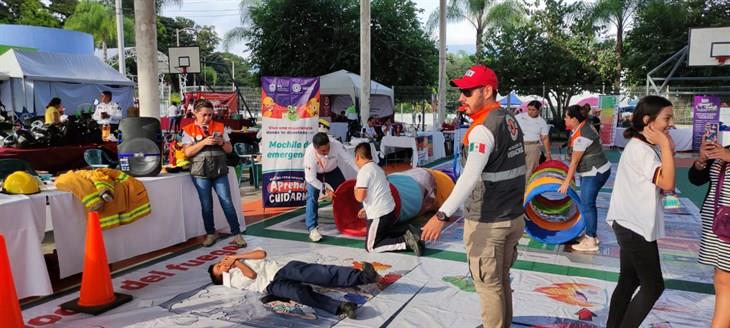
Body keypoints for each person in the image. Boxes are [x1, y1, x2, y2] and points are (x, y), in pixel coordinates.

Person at [421, 65, 526, 328]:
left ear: (487, 91)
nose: (461, 98)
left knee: (488, 287)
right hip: (512, 217)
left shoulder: (482, 129)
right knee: (499, 281)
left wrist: (441, 215)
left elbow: (468, 178)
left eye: (467, 92)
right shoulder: (508, 119)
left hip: (488, 223)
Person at [605, 95, 675, 327]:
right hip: (634, 226)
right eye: (667, 118)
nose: (671, 123)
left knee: (629, 280)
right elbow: (668, 183)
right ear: (648, 120)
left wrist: (666, 147)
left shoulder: (643, 146)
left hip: (630, 222)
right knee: (653, 286)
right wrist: (665, 145)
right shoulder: (642, 150)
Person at [208, 248, 378, 319]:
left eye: (219, 263)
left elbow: (262, 253)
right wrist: (236, 263)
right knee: (301, 294)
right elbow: (251, 275)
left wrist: (239, 256)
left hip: (280, 269)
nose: (222, 265)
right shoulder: (231, 281)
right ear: (220, 277)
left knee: (320, 273)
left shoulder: (240, 258)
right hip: (270, 286)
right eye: (219, 268)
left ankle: (363, 277)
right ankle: (342, 307)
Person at [182, 99, 247, 248]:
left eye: (210, 115)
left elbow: (230, 150)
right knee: (206, 205)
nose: (207, 118)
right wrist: (203, 142)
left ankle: (237, 234)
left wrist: (221, 143)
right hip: (200, 173)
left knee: (227, 203)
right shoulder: (188, 129)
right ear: (195, 113)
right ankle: (210, 234)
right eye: (204, 115)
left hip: (219, 171)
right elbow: (187, 152)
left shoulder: (219, 127)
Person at [558, 104, 611, 252]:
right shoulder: (581, 127)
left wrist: (566, 182)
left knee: (588, 204)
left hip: (594, 172)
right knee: (587, 204)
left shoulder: (582, 136)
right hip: (596, 170)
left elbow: (574, 162)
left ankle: (591, 240)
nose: (564, 119)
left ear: (574, 119)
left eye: (567, 117)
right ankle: (590, 234)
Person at [353, 142, 422, 255]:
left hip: (379, 214)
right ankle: (407, 233)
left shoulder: (364, 171)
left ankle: (406, 242)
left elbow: (360, 198)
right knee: (382, 235)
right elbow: (378, 191)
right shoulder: (377, 168)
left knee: (371, 247)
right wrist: (366, 208)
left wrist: (355, 189)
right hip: (390, 211)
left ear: (357, 157)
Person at [689, 140, 730, 327]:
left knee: (724, 280)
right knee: (721, 278)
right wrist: (702, 161)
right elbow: (697, 179)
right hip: (717, 227)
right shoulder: (724, 150)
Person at [303, 132, 358, 242]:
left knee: (345, 193)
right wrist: (326, 190)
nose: (326, 152)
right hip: (316, 175)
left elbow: (350, 160)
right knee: (311, 197)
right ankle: (312, 228)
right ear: (315, 148)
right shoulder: (309, 154)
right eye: (323, 151)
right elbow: (310, 179)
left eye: (328, 148)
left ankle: (350, 220)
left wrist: (363, 172)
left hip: (333, 171)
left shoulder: (336, 144)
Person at [515, 100, 551, 183]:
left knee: (530, 170)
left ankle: (527, 191)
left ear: (539, 110)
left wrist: (548, 154)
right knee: (518, 169)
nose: (530, 112)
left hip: (533, 147)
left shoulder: (542, 122)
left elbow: (545, 138)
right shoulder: (519, 117)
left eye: (533, 110)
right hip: (519, 145)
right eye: (529, 109)